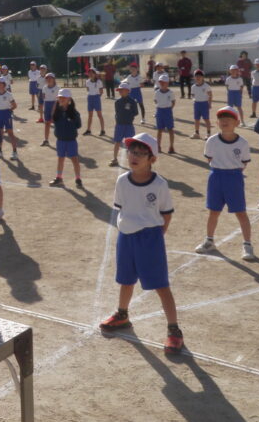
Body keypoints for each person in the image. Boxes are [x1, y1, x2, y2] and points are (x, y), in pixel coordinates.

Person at [99, 132, 184, 355]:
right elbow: (121, 208)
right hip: (126, 236)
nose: (134, 157)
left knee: (160, 285)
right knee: (126, 279)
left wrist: (156, 236)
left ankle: (174, 330)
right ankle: (122, 314)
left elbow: (166, 214)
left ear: (152, 159)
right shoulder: (122, 181)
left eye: (140, 153)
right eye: (131, 152)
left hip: (150, 238)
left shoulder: (159, 185)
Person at [195, 107, 254, 261]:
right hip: (216, 177)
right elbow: (209, 159)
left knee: (240, 212)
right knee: (213, 211)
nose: (225, 121)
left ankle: (247, 245)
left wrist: (231, 170)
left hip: (234, 177)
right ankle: (209, 241)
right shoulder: (212, 141)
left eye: (229, 118)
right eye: (221, 118)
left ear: (237, 122)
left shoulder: (242, 143)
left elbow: (243, 163)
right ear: (217, 122)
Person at [49, 88, 82, 188]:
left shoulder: (74, 113)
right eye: (60, 98)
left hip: (71, 140)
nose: (61, 99)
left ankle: (78, 178)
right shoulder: (57, 112)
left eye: (63, 98)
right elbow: (53, 120)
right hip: (60, 140)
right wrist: (55, 108)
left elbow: (78, 125)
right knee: (61, 159)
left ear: (69, 99)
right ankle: (59, 177)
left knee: (74, 160)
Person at [109, 81, 137, 167]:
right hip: (119, 125)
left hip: (129, 125)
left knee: (130, 144)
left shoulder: (132, 102)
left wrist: (128, 116)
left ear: (128, 91)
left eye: (122, 90)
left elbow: (135, 112)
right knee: (117, 141)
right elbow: (117, 112)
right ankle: (114, 159)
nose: (120, 92)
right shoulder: (117, 102)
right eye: (119, 90)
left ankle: (132, 160)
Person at [0, 76, 18, 160]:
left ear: (4, 84)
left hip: (6, 115)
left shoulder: (8, 95)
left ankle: (15, 152)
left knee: (10, 134)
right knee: (0, 134)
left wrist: (8, 111)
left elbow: (14, 105)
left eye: (0, 83)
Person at [153, 74, 176, 154]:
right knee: (159, 130)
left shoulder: (170, 93)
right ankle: (158, 146)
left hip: (168, 111)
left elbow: (173, 102)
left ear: (167, 83)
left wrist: (168, 109)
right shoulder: (157, 92)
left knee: (170, 129)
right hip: (160, 111)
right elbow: (155, 101)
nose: (162, 84)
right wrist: (160, 107)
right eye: (160, 82)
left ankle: (171, 146)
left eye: (163, 82)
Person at [190, 69, 213, 139]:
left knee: (206, 119)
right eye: (196, 76)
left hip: (204, 104)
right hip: (197, 104)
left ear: (202, 77)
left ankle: (208, 133)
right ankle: (197, 133)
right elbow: (193, 95)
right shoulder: (193, 87)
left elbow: (210, 95)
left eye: (200, 76)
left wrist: (209, 103)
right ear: (194, 77)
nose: (198, 78)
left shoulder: (206, 86)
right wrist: (194, 101)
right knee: (196, 119)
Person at [83, 67, 106, 136]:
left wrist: (97, 97)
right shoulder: (87, 82)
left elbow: (101, 92)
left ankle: (102, 130)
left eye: (92, 73)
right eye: (89, 73)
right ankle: (88, 130)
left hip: (96, 97)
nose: (90, 74)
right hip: (90, 97)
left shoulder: (99, 82)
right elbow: (88, 90)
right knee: (90, 115)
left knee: (99, 115)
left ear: (95, 74)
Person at [39, 72, 59, 146]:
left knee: (57, 124)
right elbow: (44, 97)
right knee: (47, 123)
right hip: (47, 106)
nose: (49, 79)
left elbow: (57, 100)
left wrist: (54, 110)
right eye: (47, 78)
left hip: (55, 105)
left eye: (50, 78)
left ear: (54, 79)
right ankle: (46, 140)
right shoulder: (44, 88)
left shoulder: (58, 88)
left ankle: (61, 140)